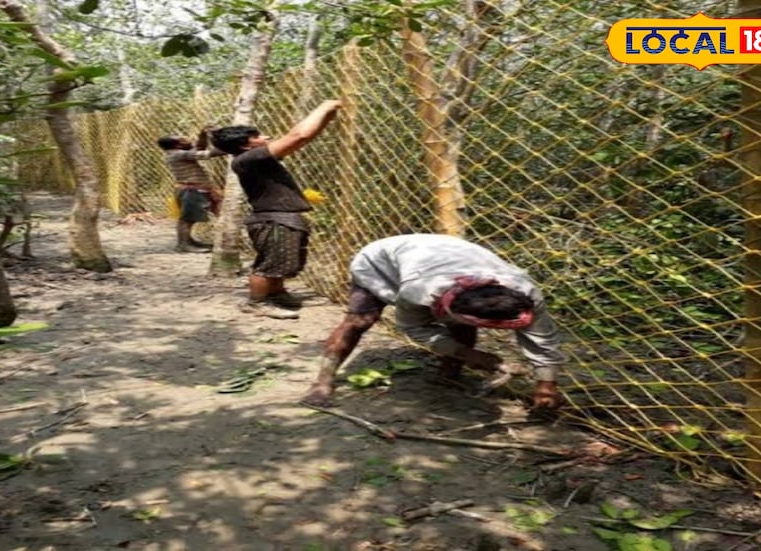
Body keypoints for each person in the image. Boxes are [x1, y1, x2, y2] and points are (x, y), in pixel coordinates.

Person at [301, 233, 566, 409]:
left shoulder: (525, 293)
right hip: (380, 262)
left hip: (442, 256)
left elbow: (542, 339)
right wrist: (468, 353)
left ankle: (448, 376)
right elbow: (412, 327)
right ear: (447, 306)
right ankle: (323, 381)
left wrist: (546, 385)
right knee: (360, 320)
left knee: (461, 328)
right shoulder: (418, 290)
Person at [210, 100, 342, 320]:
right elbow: (297, 137)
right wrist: (324, 107)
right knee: (270, 263)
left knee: (283, 260)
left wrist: (328, 117)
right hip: (273, 219)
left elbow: (303, 139)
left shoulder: (253, 159)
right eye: (258, 136)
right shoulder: (250, 158)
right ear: (246, 145)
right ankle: (256, 303)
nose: (267, 138)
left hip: (279, 217)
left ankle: (277, 294)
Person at [157, 126, 226, 253]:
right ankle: (183, 244)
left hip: (198, 188)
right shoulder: (178, 154)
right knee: (188, 219)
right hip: (191, 190)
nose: (187, 139)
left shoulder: (178, 153)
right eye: (182, 139)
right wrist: (234, 146)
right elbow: (208, 154)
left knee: (191, 218)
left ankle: (188, 241)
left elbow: (199, 148)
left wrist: (203, 135)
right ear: (177, 145)